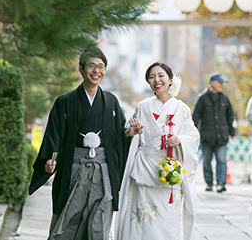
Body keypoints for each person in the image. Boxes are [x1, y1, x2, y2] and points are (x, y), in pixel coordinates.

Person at [28, 47, 142, 240]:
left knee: (100, 219)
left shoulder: (111, 102)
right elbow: (53, 136)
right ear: (81, 69)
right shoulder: (65, 102)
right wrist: (50, 159)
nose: (96, 71)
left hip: (103, 171)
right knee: (69, 217)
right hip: (73, 169)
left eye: (101, 66)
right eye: (91, 66)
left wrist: (129, 133)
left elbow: (117, 136)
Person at [115, 62, 199, 240]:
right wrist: (132, 132)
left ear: (170, 80)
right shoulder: (142, 107)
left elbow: (193, 137)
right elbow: (127, 133)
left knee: (167, 223)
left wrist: (180, 140)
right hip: (144, 170)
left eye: (161, 76)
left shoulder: (182, 109)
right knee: (141, 222)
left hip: (170, 172)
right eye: (151, 77)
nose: (156, 80)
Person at [192, 73, 235, 193]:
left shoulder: (225, 99)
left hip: (221, 136)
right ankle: (209, 183)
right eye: (219, 82)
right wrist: (192, 132)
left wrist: (232, 132)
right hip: (207, 136)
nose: (222, 85)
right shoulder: (203, 98)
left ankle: (221, 183)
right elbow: (195, 117)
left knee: (221, 160)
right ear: (212, 83)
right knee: (206, 161)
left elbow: (230, 116)